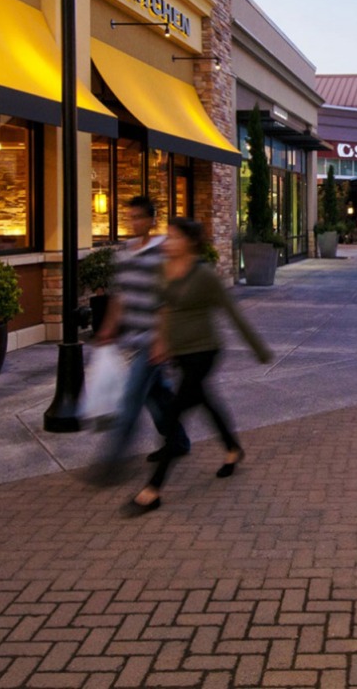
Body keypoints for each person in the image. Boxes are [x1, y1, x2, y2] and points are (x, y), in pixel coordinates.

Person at [127, 218, 273, 514]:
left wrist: (258, 349)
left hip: (204, 353)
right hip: (179, 354)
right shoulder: (164, 270)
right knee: (207, 403)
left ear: (190, 242)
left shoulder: (204, 275)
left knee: (175, 415)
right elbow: (163, 308)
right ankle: (233, 449)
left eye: (173, 238)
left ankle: (153, 489)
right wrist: (160, 342)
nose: (167, 243)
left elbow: (232, 312)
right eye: (167, 237)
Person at [92, 196, 190, 478]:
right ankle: (178, 440)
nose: (134, 222)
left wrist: (163, 338)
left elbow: (168, 299)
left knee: (132, 397)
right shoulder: (124, 254)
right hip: (133, 338)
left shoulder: (161, 254)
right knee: (156, 396)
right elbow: (119, 296)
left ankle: (111, 462)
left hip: (154, 338)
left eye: (138, 217)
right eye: (130, 217)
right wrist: (108, 328)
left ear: (150, 220)